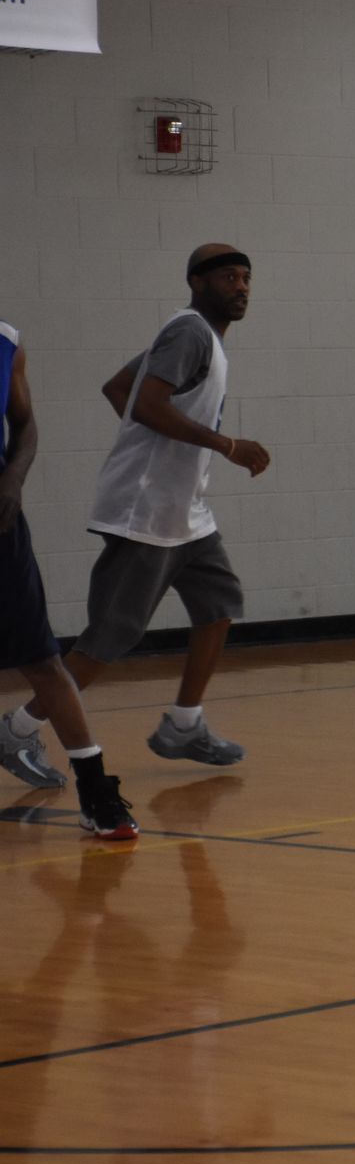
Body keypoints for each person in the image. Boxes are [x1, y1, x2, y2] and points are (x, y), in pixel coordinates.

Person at [0, 244, 268, 786]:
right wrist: (223, 444)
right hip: (148, 511)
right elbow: (144, 403)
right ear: (197, 282)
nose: (240, 286)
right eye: (227, 277)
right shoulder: (189, 331)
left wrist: (165, 447)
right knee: (110, 639)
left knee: (218, 606)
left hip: (186, 510)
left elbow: (119, 387)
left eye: (245, 278)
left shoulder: (205, 339)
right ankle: (19, 730)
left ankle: (184, 725)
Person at [0, 321, 139, 838]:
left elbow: (26, 426)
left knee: (43, 659)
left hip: (1, 522)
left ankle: (97, 794)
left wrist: (13, 478)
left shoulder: (6, 344)